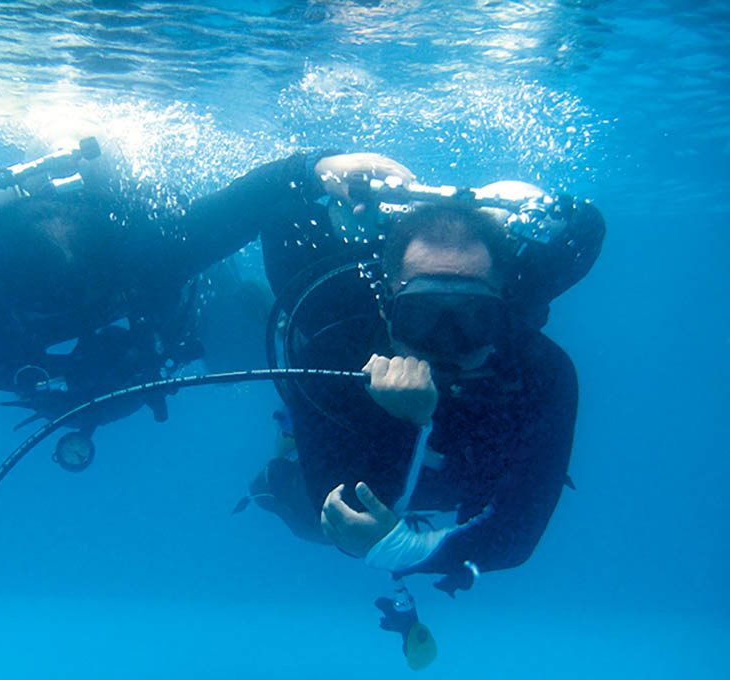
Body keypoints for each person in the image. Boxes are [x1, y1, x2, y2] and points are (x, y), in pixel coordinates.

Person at [0, 146, 321, 630]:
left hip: (189, 323)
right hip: (135, 361)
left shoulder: (128, 247)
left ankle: (268, 324)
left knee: (252, 342)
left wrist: (312, 167)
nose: (50, 294)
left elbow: (243, 206)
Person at [232, 151, 604, 610]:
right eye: (423, 317)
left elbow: (517, 535)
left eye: (472, 318)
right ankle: (244, 308)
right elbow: (344, 524)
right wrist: (405, 424)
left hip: (464, 483)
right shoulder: (337, 348)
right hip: (357, 441)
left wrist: (404, 547)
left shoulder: (542, 372)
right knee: (308, 522)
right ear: (387, 309)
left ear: (502, 312)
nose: (446, 345)